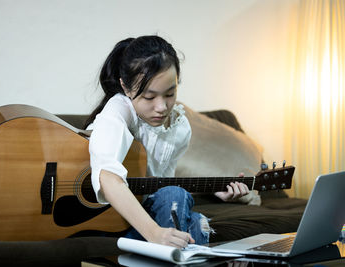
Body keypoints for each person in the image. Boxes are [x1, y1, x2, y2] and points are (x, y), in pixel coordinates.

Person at [85, 35, 249, 248]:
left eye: (170, 94)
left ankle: (160, 249)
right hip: (104, 217)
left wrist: (213, 190)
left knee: (174, 194)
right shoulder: (118, 111)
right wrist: (154, 234)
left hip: (144, 211)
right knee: (194, 224)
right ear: (125, 88)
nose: (161, 107)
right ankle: (182, 242)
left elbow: (161, 188)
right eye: (149, 97)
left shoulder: (179, 128)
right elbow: (107, 177)